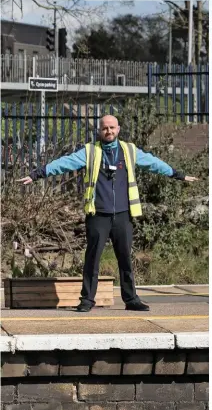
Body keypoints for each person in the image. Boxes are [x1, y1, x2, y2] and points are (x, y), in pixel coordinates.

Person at [17, 115, 198, 312]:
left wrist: (177, 174)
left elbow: (153, 163)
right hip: (98, 215)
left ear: (118, 129)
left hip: (122, 215)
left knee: (125, 258)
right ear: (99, 131)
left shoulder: (129, 150)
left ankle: (131, 299)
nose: (109, 131)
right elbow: (64, 163)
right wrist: (36, 174)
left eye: (112, 128)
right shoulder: (90, 151)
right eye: (105, 128)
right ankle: (87, 300)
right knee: (92, 258)